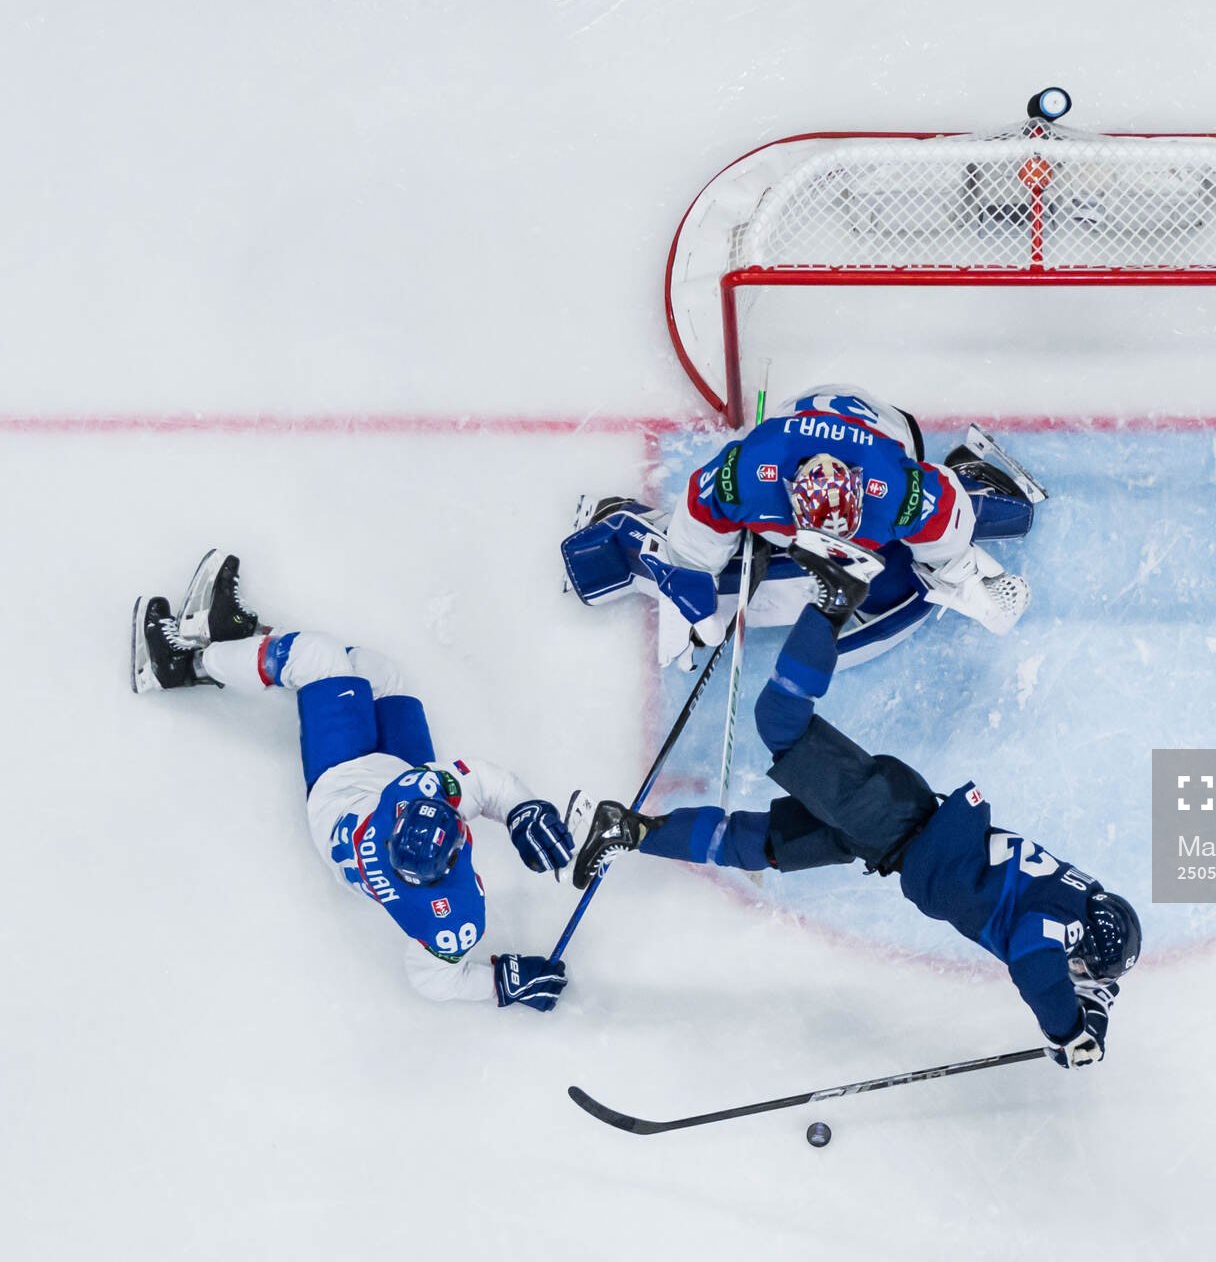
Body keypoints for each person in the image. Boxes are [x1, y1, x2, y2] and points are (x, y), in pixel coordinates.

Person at [567, 533, 1140, 1067]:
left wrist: (1094, 1015)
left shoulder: (1080, 900)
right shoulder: (1057, 927)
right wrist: (1067, 1032)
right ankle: (833, 601)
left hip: (891, 833)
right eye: (1083, 961)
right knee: (780, 723)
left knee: (763, 844)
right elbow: (1037, 965)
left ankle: (629, 830)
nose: (1079, 970)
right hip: (889, 821)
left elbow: (1092, 971)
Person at [130, 551, 577, 1012]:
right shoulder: (448, 896)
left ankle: (182, 666)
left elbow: (433, 979)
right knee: (379, 670)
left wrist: (500, 982)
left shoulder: (418, 800)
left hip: (340, 788)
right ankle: (236, 641)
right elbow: (484, 785)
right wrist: (524, 810)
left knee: (318, 657)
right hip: (387, 778)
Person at [559, 384, 1045, 668]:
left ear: (859, 487)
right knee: (723, 573)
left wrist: (961, 577)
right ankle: (619, 525)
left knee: (900, 583)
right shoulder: (747, 474)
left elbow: (945, 518)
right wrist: (697, 598)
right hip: (797, 419)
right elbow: (694, 539)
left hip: (886, 424)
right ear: (789, 491)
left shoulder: (897, 488)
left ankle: (973, 474)